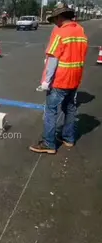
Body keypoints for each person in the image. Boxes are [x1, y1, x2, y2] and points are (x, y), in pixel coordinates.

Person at [29, 3, 88, 154]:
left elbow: (53, 58)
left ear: (60, 17)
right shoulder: (80, 31)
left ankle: (49, 143)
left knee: (51, 111)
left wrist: (46, 81)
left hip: (60, 79)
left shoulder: (60, 32)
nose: (55, 22)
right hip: (75, 77)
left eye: (55, 19)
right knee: (70, 108)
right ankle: (68, 138)